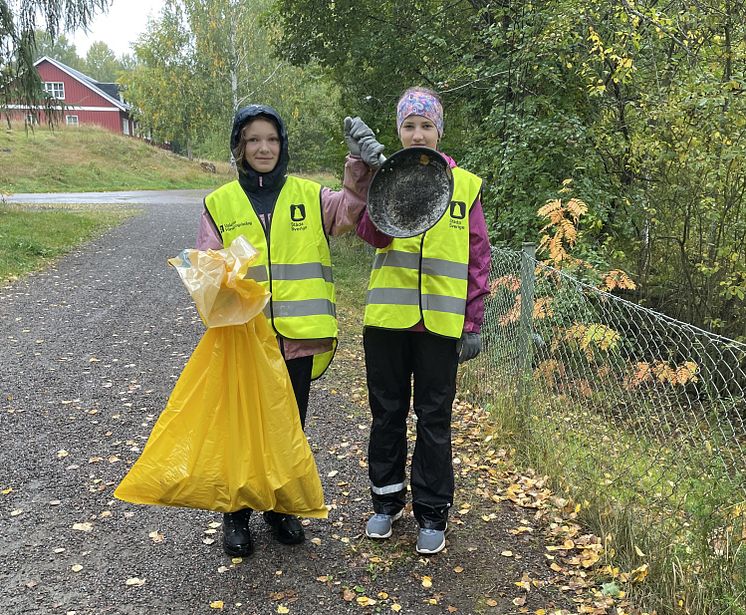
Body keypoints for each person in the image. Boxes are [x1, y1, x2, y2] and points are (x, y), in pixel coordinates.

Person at [195, 104, 382, 557]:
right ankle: (236, 513)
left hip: (297, 338)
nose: (264, 148)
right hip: (244, 340)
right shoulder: (219, 203)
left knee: (289, 426)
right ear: (239, 146)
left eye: (272, 139)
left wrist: (358, 165)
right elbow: (204, 271)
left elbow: (349, 213)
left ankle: (280, 508)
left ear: (282, 145)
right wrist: (218, 280)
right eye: (254, 139)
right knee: (241, 426)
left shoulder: (309, 196)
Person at [357, 87, 491, 555]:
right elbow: (370, 234)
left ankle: (433, 512)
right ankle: (385, 502)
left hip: (440, 323)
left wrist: (473, 322)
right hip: (388, 322)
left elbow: (478, 258)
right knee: (387, 414)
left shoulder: (466, 186)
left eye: (426, 126)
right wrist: (372, 174)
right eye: (409, 126)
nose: (418, 134)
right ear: (399, 132)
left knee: (434, 418)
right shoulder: (387, 176)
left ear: (439, 131)